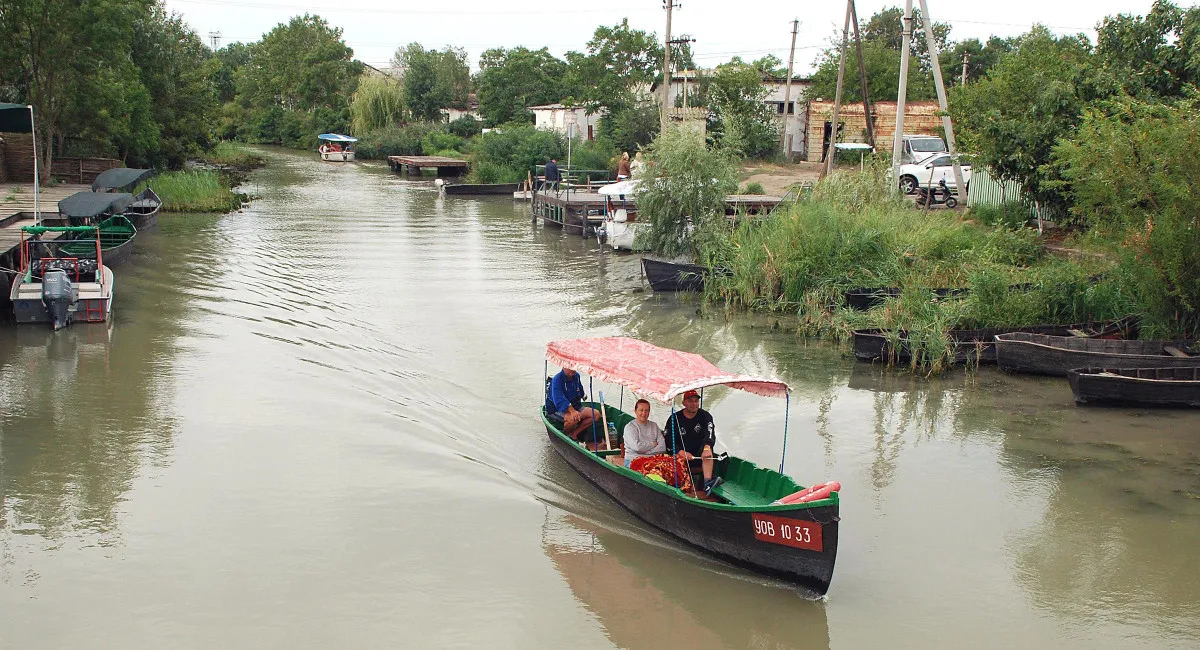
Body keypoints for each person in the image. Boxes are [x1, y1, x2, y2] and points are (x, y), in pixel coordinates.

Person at [665, 390, 723, 495]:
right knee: (673, 457)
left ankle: (707, 483)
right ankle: (680, 485)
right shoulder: (674, 418)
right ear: (684, 403)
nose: (694, 404)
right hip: (681, 455)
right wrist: (680, 452)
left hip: (698, 455)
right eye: (690, 401)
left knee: (708, 450)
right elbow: (668, 440)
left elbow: (710, 433)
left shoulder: (705, 416)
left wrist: (707, 447)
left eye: (696, 401)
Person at [545, 367, 601, 441]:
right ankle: (565, 435)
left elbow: (579, 388)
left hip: (575, 406)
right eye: (569, 367)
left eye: (574, 367)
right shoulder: (557, 380)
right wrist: (572, 411)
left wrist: (583, 395)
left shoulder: (576, 376)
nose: (572, 369)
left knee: (596, 414)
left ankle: (574, 433)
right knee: (573, 419)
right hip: (556, 409)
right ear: (563, 367)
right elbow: (559, 398)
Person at [623, 399, 665, 467]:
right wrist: (653, 444)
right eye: (641, 410)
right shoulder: (630, 427)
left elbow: (662, 447)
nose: (644, 413)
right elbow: (637, 447)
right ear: (635, 411)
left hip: (652, 459)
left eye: (646, 410)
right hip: (633, 460)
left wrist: (646, 453)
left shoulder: (654, 425)